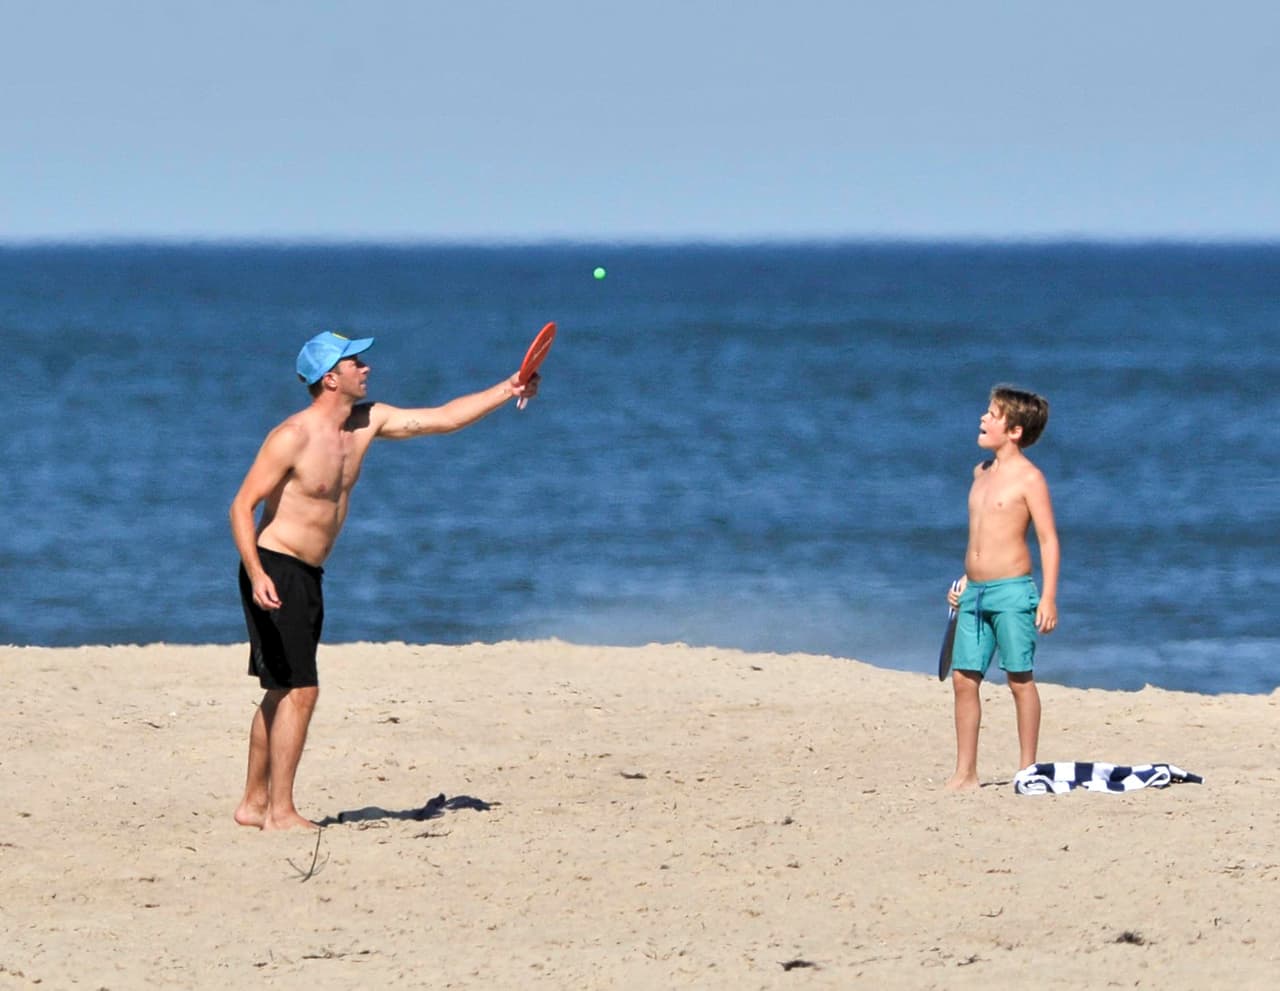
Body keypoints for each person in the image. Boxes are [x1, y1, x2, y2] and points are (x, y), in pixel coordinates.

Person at [230, 331, 538, 830]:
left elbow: (444, 418)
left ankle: (253, 804)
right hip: (276, 567)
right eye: (355, 362)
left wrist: (510, 387)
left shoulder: (367, 421)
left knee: (281, 689)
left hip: (307, 572)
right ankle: (280, 812)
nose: (366, 367)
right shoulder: (292, 437)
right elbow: (241, 507)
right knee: (301, 691)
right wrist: (258, 573)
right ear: (331, 379)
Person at [944, 385, 1059, 791]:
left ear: (1014, 431)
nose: (982, 418)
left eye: (992, 414)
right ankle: (965, 773)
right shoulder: (980, 473)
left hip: (1012, 591)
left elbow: (1047, 539)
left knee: (1019, 679)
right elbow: (980, 535)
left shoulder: (1030, 479)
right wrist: (964, 579)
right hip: (974, 592)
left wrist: (1048, 597)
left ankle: (1027, 769)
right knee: (963, 678)